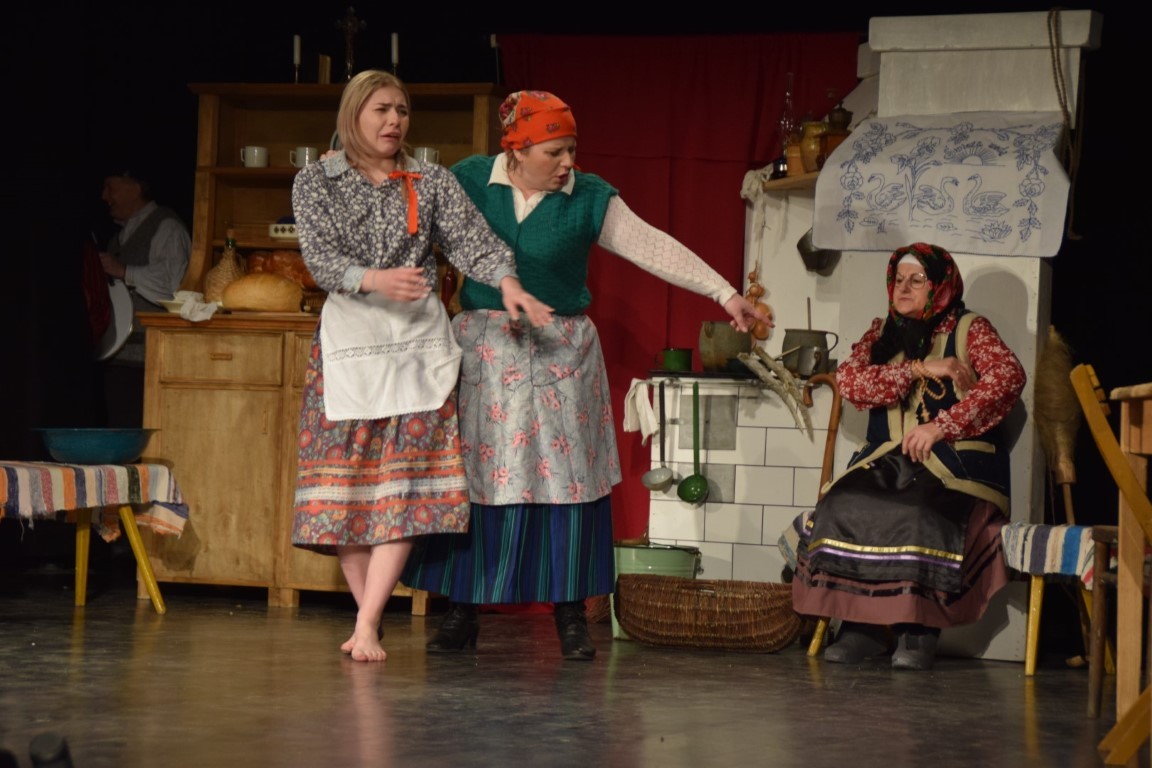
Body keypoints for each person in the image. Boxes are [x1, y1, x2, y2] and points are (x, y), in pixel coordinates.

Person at [401, 90, 772, 661]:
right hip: (487, 356)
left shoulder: (588, 195)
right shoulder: (471, 180)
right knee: (480, 478)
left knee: (568, 482)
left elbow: (654, 247)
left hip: (561, 353)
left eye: (572, 149)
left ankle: (571, 615)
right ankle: (462, 610)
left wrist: (724, 293)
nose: (568, 162)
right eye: (554, 151)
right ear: (516, 149)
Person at [289, 70, 553, 663]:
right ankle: (368, 619)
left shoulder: (430, 181)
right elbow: (320, 258)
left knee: (405, 488)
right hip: (350, 348)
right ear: (354, 114)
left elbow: (472, 242)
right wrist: (374, 279)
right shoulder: (317, 181)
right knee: (346, 493)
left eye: (402, 111)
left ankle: (367, 622)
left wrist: (508, 282)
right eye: (382, 110)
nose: (394, 121)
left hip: (415, 350)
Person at [790, 242, 1027, 671]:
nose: (903, 288)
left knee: (918, 512)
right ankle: (861, 629)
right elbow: (852, 382)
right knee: (844, 503)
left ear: (940, 287)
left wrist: (942, 426)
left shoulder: (970, 329)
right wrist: (920, 368)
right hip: (888, 460)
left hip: (954, 465)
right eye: (899, 280)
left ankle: (917, 631)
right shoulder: (883, 333)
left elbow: (1008, 377)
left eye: (917, 280)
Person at [97, 166, 191, 425]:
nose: (104, 196)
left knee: (144, 431)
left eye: (110, 187)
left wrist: (124, 271)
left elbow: (174, 287)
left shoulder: (167, 227)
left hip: (148, 360)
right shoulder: (120, 236)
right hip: (120, 360)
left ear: (135, 188)